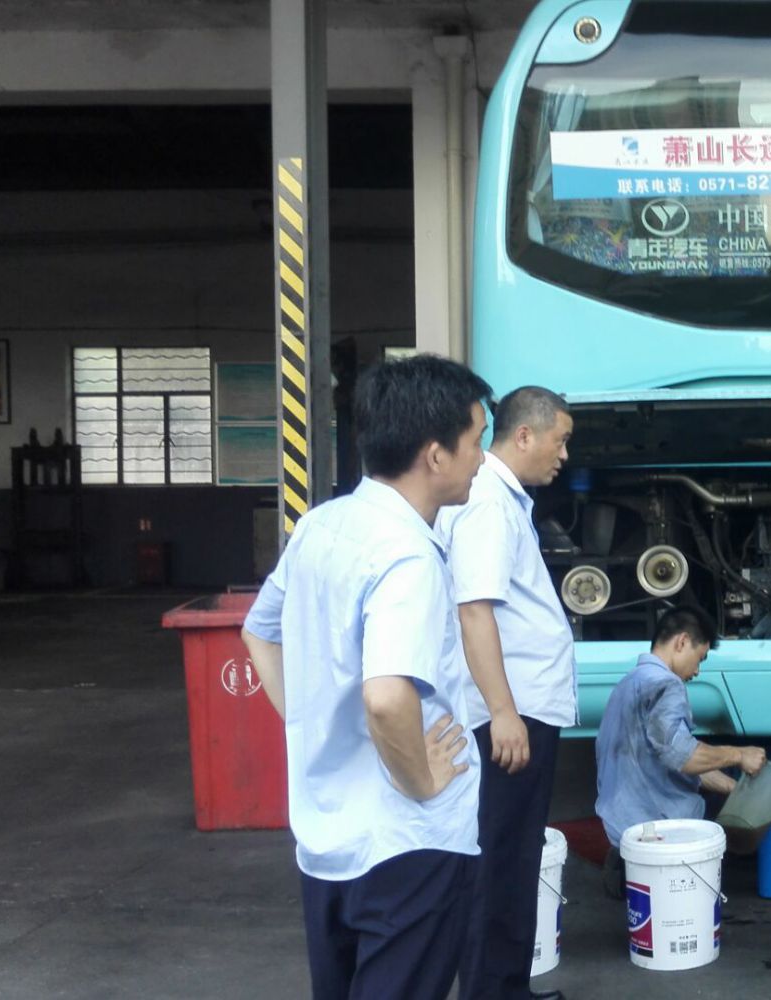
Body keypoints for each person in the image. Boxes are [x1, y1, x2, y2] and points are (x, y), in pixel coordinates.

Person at [240, 355, 492, 1000]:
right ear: (435, 455)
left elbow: (259, 631)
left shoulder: (323, 525)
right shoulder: (407, 556)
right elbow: (385, 696)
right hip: (406, 843)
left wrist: (312, 721)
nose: (481, 459)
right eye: (475, 441)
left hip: (328, 835)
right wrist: (421, 780)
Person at [439, 387, 576, 1000]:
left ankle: (506, 989)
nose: (563, 455)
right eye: (559, 441)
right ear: (524, 435)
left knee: (517, 856)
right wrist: (502, 713)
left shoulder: (504, 501)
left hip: (521, 709)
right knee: (500, 859)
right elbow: (474, 610)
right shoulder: (489, 505)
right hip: (510, 715)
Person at [594, 607, 767, 897]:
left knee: (722, 787)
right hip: (660, 837)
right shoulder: (666, 685)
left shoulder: (629, 683)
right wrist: (739, 755)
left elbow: (670, 759)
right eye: (700, 658)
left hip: (623, 832)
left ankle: (625, 872)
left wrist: (734, 789)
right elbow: (681, 755)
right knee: (737, 824)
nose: (697, 671)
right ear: (682, 642)